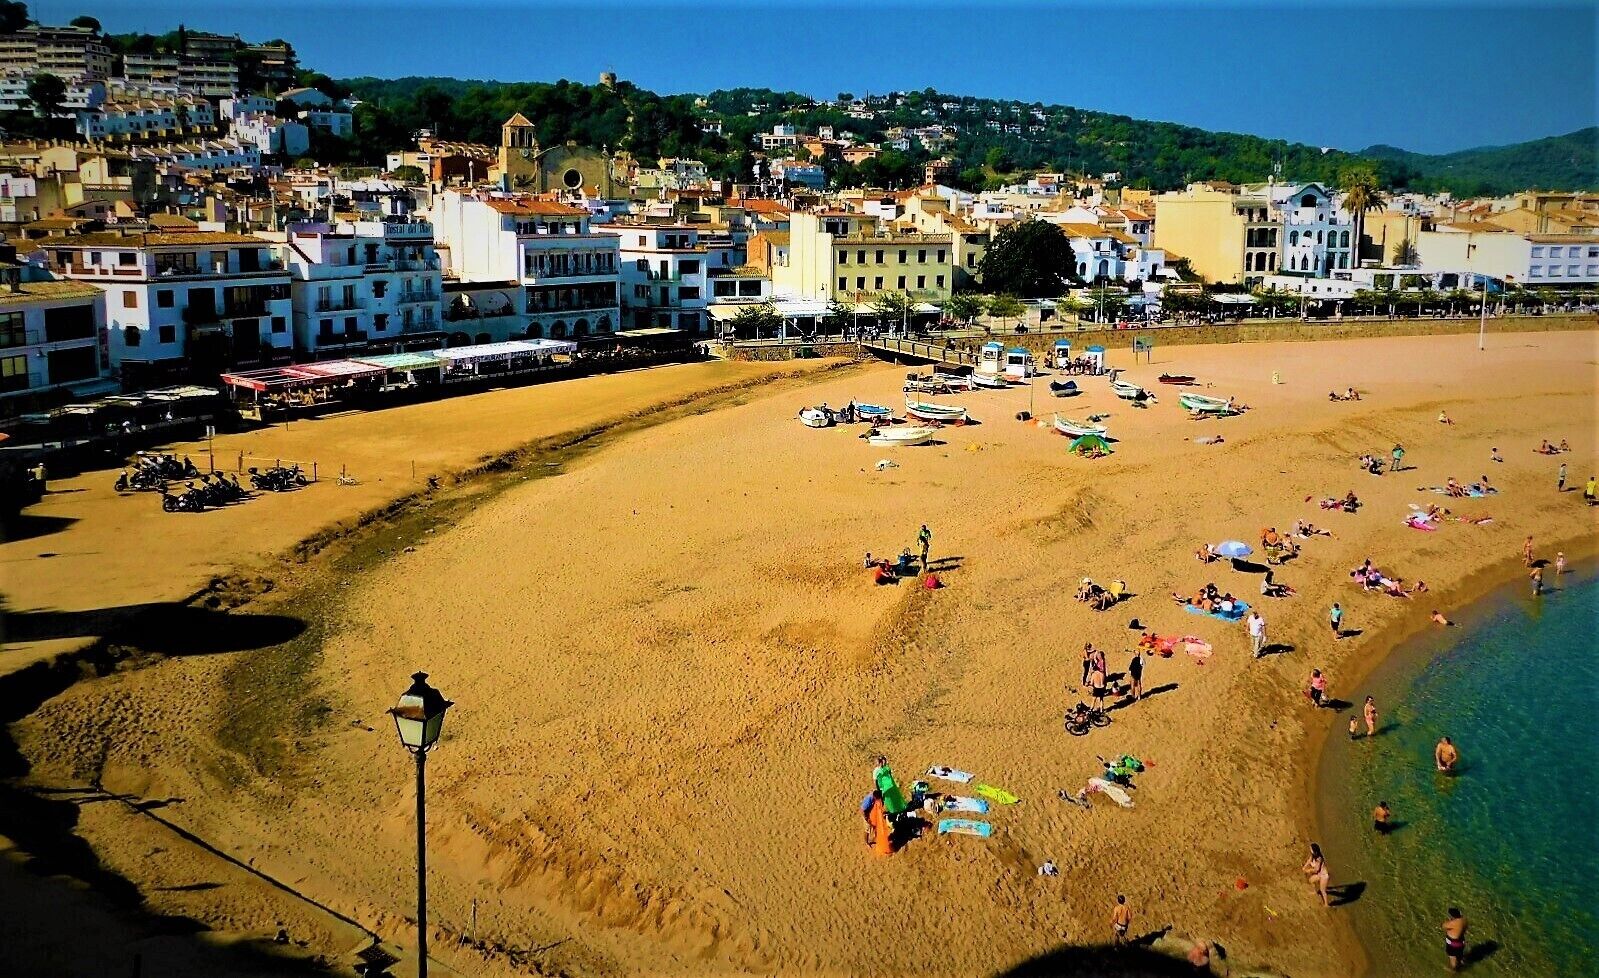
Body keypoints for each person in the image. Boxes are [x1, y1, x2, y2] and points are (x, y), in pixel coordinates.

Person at [1302, 843, 1330, 907]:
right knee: (1311, 880)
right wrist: (1304, 866)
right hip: (1319, 874)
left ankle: (1326, 904)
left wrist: (1308, 870)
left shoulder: (1319, 859)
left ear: (1314, 851)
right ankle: (1315, 892)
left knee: (1322, 890)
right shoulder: (1313, 856)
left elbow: (1316, 869)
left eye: (1311, 849)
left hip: (1324, 875)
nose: (1310, 850)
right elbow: (1309, 861)